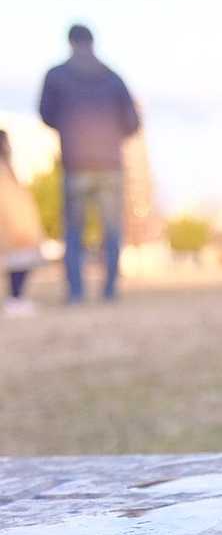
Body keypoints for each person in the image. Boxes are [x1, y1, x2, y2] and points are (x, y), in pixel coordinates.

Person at [39, 24, 140, 304]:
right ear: (92, 42)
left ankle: (76, 292)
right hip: (110, 163)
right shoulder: (113, 77)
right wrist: (111, 136)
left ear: (70, 42)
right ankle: (110, 290)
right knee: (112, 229)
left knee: (73, 231)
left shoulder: (57, 75)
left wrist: (70, 129)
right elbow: (133, 122)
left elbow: (45, 113)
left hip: (75, 162)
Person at [0, 130, 45, 318]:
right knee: (19, 260)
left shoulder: (8, 167)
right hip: (15, 226)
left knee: (20, 261)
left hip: (19, 225)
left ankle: (16, 298)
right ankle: (15, 299)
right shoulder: (3, 170)